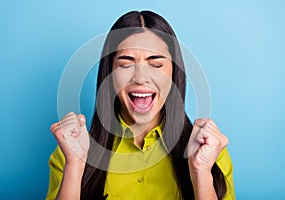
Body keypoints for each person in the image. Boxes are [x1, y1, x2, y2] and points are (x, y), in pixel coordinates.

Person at [46, 10, 235, 200]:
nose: (141, 78)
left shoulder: (209, 150)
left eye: (156, 64)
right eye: (126, 64)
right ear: (109, 75)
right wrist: (75, 167)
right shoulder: (70, 151)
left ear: (173, 75)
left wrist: (200, 173)